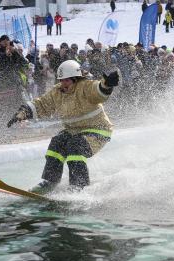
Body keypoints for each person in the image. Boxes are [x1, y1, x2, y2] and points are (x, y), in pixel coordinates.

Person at [7, 60, 120, 193]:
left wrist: (106, 85)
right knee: (57, 142)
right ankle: (50, 182)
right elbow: (42, 104)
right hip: (74, 131)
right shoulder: (57, 92)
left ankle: (79, 185)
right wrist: (24, 112)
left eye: (66, 80)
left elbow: (97, 91)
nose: (63, 83)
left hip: (98, 130)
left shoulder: (85, 86)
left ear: (75, 79)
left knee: (75, 145)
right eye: (61, 80)